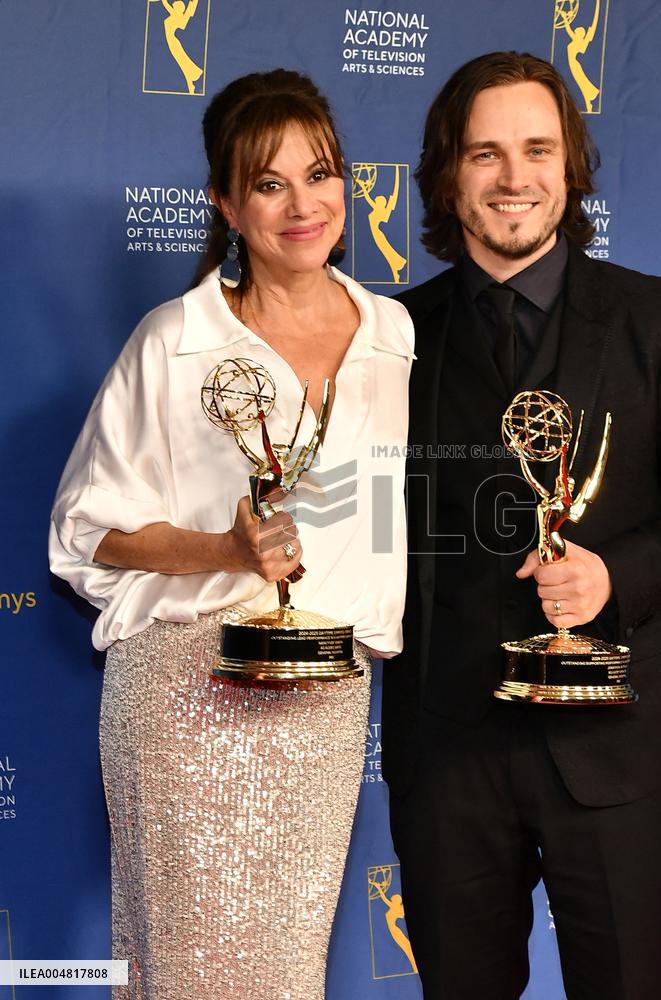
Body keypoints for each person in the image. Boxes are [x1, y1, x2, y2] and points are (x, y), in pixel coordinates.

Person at [381, 51, 661, 1000]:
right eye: (486, 154)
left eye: (537, 149)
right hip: (448, 749)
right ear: (446, 176)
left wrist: (612, 577)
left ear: (571, 166)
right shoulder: (386, 338)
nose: (515, 179)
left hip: (618, 741)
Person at [49, 69, 413, 999]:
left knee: (287, 973)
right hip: (187, 688)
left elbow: (385, 518)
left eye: (321, 173)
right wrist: (225, 548)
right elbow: (87, 530)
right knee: (185, 970)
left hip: (324, 694)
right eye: (268, 182)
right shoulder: (174, 338)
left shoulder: (395, 335)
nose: (304, 204)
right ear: (225, 202)